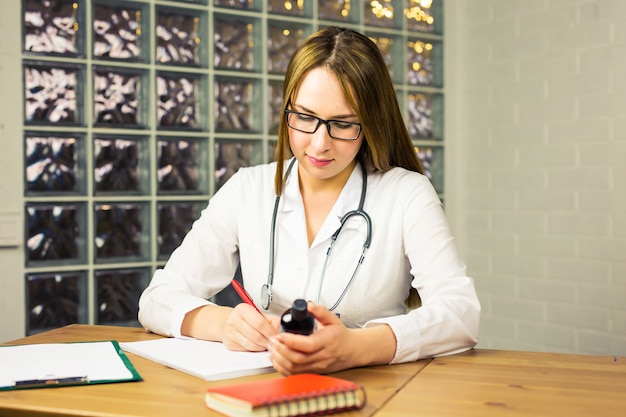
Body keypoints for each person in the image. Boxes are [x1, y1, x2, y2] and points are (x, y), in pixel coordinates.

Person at [138, 26, 480, 375]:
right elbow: (156, 299)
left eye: (343, 124)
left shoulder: (406, 194)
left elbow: (461, 313)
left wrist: (355, 348)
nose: (319, 145)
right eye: (304, 118)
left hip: (374, 392)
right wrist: (223, 323)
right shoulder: (247, 189)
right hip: (266, 392)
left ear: (372, 122)